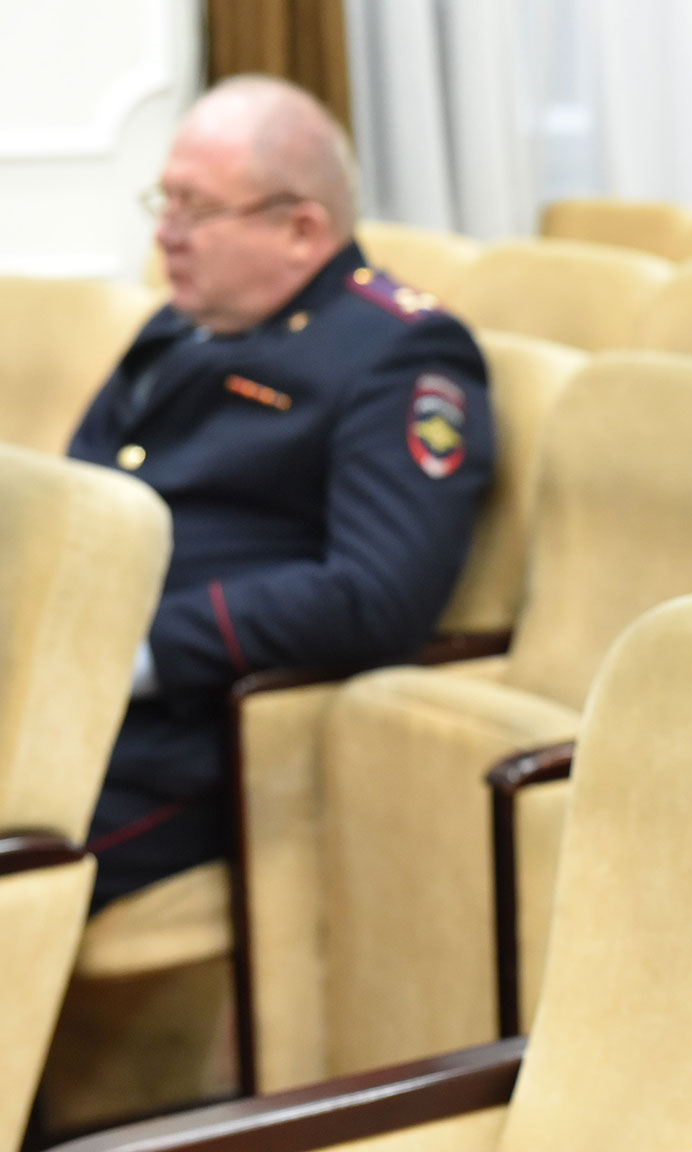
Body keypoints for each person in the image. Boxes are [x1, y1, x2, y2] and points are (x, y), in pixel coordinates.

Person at [68, 76, 494, 910]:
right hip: (76, 692)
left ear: (300, 229)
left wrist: (143, 649)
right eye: (165, 201)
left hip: (192, 733)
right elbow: (85, 488)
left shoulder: (401, 354)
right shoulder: (182, 323)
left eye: (195, 209)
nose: (165, 234)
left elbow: (377, 593)